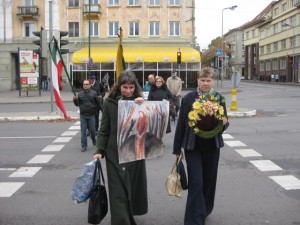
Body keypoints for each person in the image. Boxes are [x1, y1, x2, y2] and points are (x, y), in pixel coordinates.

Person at [173, 67, 229, 225]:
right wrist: (177, 149)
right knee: (196, 182)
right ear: (197, 80)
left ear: (213, 81)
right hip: (193, 147)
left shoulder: (218, 98)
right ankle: (194, 219)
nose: (205, 83)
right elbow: (181, 124)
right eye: (203, 80)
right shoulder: (189, 98)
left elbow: (224, 123)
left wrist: (223, 123)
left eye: (209, 80)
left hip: (212, 146)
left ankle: (205, 208)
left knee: (209, 181)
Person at [93, 71, 147, 225]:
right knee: (117, 191)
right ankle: (121, 221)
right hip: (114, 153)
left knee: (131, 188)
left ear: (135, 87)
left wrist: (142, 106)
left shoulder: (141, 102)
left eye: (131, 87)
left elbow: (149, 126)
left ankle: (129, 214)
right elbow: (104, 129)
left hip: (135, 152)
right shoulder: (109, 102)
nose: (128, 91)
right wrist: (99, 150)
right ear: (119, 86)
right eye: (125, 87)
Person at [73, 79, 100, 152]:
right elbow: (77, 104)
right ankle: (84, 146)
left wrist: (101, 109)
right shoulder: (80, 94)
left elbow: (98, 104)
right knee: (83, 131)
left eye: (86, 84)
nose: (85, 85)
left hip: (91, 115)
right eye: (84, 84)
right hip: (83, 115)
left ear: (90, 85)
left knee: (93, 131)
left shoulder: (94, 93)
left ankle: (94, 139)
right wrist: (75, 100)